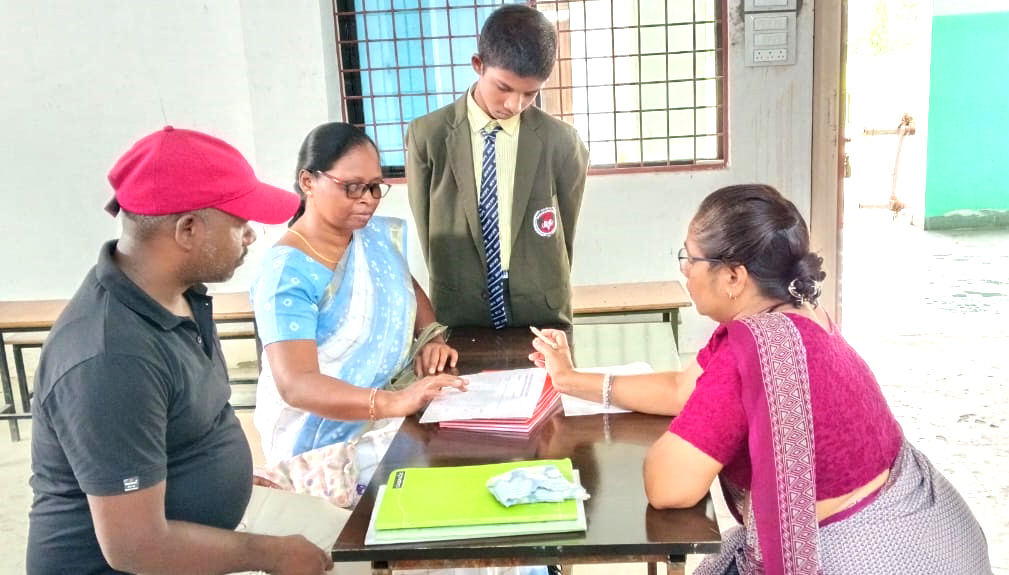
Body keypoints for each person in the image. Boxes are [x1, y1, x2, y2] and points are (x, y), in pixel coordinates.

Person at [529, 185, 993, 574]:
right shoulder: (798, 316)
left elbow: (669, 487)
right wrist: (570, 380)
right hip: (937, 535)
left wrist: (694, 430)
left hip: (870, 558)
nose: (684, 272)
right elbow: (679, 390)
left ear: (733, 276)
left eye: (688, 258)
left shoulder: (753, 354)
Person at [27, 126, 334, 575]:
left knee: (366, 538)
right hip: (138, 563)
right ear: (188, 230)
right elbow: (136, 548)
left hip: (202, 531)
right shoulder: (111, 359)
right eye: (240, 223)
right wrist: (265, 553)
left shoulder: (179, 294)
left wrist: (221, 477)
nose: (250, 235)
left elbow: (181, 422)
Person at [251, 122, 466, 469]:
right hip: (319, 444)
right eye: (352, 187)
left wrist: (432, 339)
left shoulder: (371, 238)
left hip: (390, 416)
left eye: (374, 187)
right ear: (309, 182)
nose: (367, 200)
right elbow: (297, 385)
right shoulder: (286, 273)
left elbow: (405, 285)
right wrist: (391, 403)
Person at [407, 4, 589, 329]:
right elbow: (427, 225)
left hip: (541, 308)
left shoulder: (561, 142)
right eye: (503, 87)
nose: (514, 104)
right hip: (459, 308)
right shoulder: (428, 136)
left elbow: (565, 231)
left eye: (530, 93)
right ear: (478, 65)